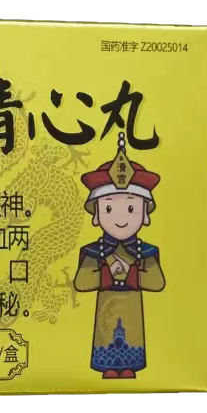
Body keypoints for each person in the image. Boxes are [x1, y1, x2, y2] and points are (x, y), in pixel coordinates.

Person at [74, 132, 165, 378]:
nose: (121, 217)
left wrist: (130, 273)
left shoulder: (145, 252)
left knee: (131, 346)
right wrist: (108, 272)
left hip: (132, 309)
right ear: (97, 214)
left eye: (131, 207)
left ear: (145, 214)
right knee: (106, 344)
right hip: (107, 307)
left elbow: (157, 281)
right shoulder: (94, 251)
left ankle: (128, 368)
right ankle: (109, 369)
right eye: (110, 208)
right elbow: (81, 282)